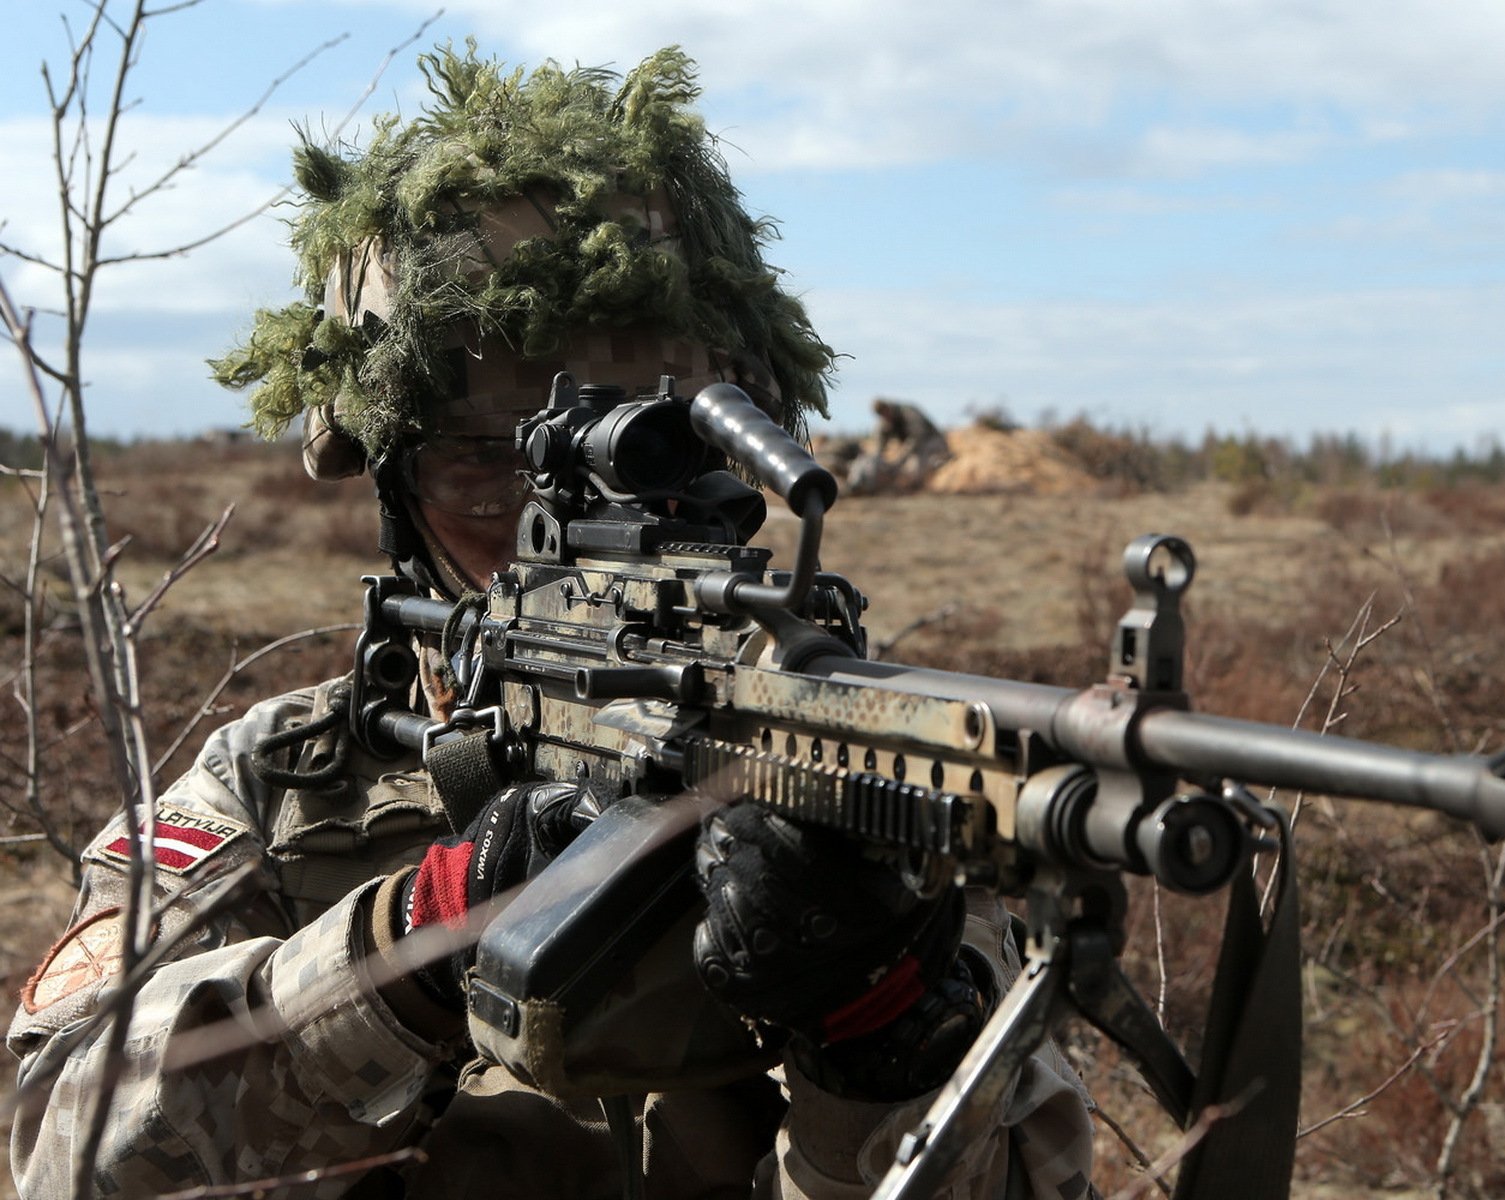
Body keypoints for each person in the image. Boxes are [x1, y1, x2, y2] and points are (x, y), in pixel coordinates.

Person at [8, 43, 1094, 1200]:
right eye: (484, 471)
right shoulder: (285, 795)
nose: (556, 529)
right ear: (392, 492)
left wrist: (882, 1034)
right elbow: (54, 1148)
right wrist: (408, 944)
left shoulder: (850, 788)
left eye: (661, 475)